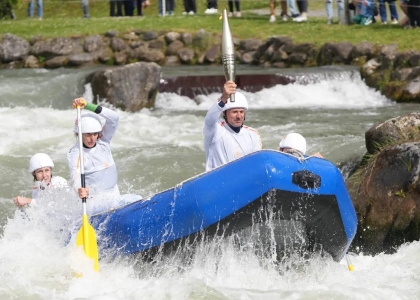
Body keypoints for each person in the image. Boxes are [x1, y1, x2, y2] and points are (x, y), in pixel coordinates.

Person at [67, 98, 120, 203]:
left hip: (114, 194)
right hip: (94, 201)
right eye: (88, 134)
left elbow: (114, 118)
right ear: (79, 133)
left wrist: (88, 106)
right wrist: (79, 189)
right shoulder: (75, 153)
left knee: (136, 198)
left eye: (95, 134)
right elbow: (75, 178)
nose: (92, 138)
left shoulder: (103, 140)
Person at [203, 81, 262, 172]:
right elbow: (209, 119)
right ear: (224, 113)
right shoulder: (215, 131)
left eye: (241, 112)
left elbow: (256, 164)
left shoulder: (253, 134)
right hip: (218, 182)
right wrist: (223, 99)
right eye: (234, 112)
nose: (239, 116)